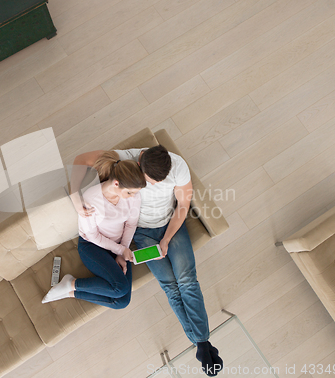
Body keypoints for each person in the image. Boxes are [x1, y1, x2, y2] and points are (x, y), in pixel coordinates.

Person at [70, 145, 223, 377]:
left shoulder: (177, 166)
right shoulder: (125, 160)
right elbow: (80, 158)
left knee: (187, 279)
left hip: (171, 226)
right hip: (141, 233)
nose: (151, 186)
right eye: (148, 181)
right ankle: (202, 344)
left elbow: (182, 206)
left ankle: (201, 344)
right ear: (139, 162)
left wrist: (167, 238)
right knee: (170, 286)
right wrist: (74, 196)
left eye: (158, 182)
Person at [42, 151, 146, 309]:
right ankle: (71, 284)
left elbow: (131, 224)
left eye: (135, 193)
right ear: (116, 184)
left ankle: (71, 292)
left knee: (122, 301)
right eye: (130, 192)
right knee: (121, 288)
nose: (133, 197)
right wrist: (120, 250)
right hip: (92, 245)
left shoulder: (133, 196)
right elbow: (93, 236)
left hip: (118, 244)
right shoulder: (91, 199)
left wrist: (121, 251)